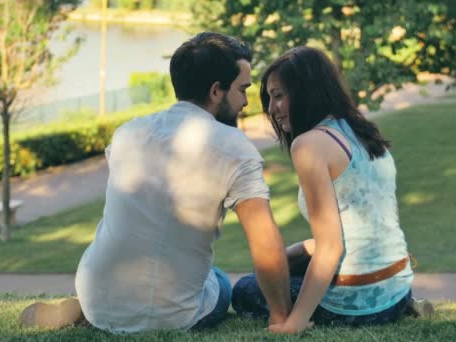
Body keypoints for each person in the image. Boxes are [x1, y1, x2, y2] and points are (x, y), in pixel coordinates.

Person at [19, 32, 292, 333]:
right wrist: (280, 318)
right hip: (169, 315)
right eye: (242, 90)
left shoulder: (127, 132)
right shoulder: (234, 145)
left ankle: (85, 306)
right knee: (221, 281)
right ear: (216, 91)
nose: (245, 102)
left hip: (96, 296)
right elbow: (263, 238)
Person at [231, 46, 427, 333]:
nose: (272, 109)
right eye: (270, 98)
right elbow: (363, 223)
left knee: (247, 289)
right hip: (398, 291)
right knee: (281, 266)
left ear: (306, 92)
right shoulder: (361, 130)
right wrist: (300, 250)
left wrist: (296, 322)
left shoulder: (309, 145)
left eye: (279, 96)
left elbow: (331, 247)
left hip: (359, 302)